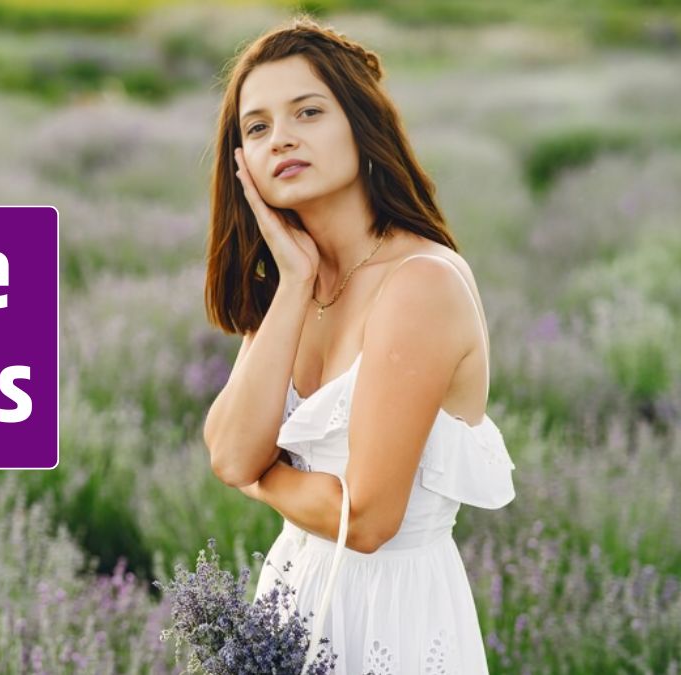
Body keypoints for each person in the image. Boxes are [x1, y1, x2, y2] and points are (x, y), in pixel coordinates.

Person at [200, 16, 516, 674]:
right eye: (256, 128)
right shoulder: (297, 280)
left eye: (307, 112)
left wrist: (266, 482)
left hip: (391, 614)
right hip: (288, 600)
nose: (281, 137)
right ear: (243, 166)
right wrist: (291, 284)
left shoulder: (417, 283)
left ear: (360, 125)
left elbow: (367, 521)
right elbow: (231, 452)